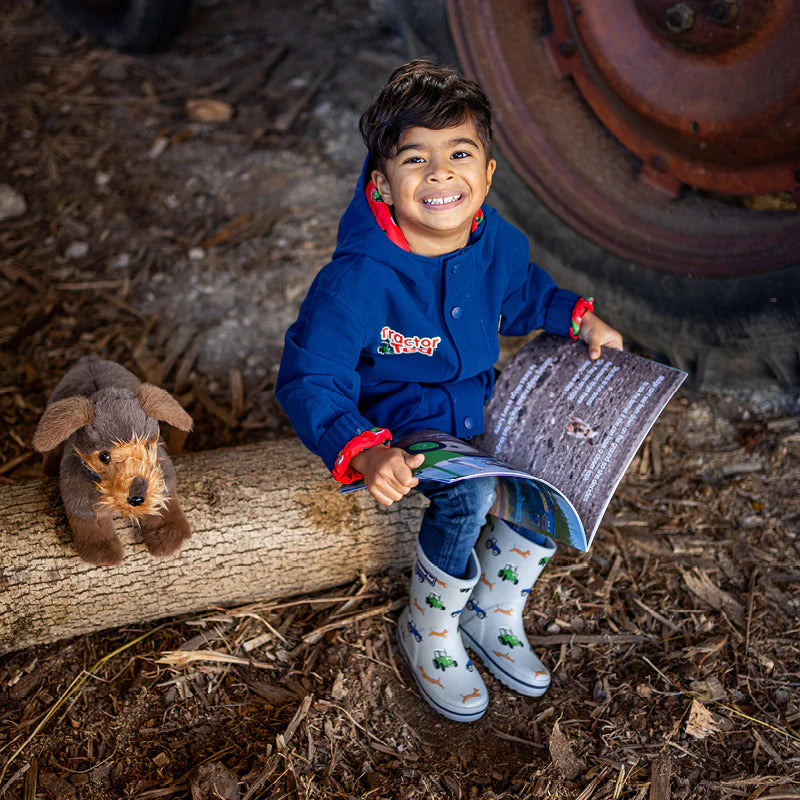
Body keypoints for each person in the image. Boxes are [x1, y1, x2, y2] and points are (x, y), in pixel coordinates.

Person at [276, 60, 623, 722]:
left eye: (459, 153)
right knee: (466, 495)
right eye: (415, 159)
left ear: (488, 174)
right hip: (403, 420)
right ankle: (430, 628)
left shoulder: (496, 243)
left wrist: (578, 317)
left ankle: (493, 610)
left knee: (550, 467)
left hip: (478, 403)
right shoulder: (358, 279)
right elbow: (308, 376)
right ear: (382, 182)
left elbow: (522, 295)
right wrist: (361, 448)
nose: (439, 173)